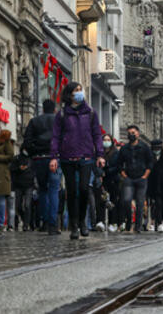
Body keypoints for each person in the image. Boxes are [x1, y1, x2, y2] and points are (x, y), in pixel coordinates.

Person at [50, 82, 105, 240]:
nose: (80, 93)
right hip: (67, 157)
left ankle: (82, 221)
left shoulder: (91, 113)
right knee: (72, 191)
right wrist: (54, 156)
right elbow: (55, 137)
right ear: (70, 94)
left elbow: (97, 135)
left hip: (86, 157)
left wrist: (100, 154)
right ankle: (74, 224)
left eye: (81, 90)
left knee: (84, 189)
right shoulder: (62, 114)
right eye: (76, 90)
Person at [23, 99, 61, 235]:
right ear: (55, 109)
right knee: (54, 189)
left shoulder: (34, 121)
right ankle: (53, 223)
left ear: (43, 109)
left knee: (43, 190)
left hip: (39, 158)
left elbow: (27, 140)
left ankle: (44, 221)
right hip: (55, 158)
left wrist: (34, 151)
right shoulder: (59, 120)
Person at [117, 125, 153, 233]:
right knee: (126, 200)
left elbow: (150, 162)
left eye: (133, 132)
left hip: (141, 178)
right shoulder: (124, 148)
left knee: (140, 203)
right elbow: (119, 163)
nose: (131, 135)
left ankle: (138, 226)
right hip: (129, 178)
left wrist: (145, 175)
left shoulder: (144, 147)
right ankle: (128, 221)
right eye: (129, 133)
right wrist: (124, 175)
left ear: (138, 134)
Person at [11, 149, 35, 231]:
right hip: (18, 185)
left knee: (27, 205)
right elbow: (12, 170)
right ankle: (25, 220)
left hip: (29, 185)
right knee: (18, 206)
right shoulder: (16, 158)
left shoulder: (32, 159)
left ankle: (26, 224)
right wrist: (19, 169)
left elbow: (35, 171)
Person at [102, 134, 121, 232]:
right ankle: (101, 221)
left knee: (113, 201)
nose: (106, 141)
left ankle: (112, 222)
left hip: (113, 179)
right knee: (103, 200)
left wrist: (107, 170)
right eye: (104, 139)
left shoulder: (115, 153)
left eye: (108, 139)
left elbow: (118, 166)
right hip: (103, 179)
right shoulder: (100, 152)